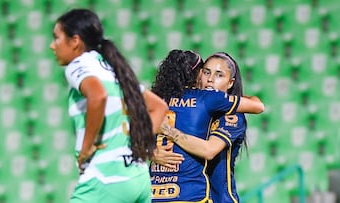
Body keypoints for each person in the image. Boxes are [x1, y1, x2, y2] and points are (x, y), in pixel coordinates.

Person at [49, 8, 168, 203]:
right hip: (138, 177)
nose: (52, 45)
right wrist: (139, 146)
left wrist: (87, 147)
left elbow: (98, 96)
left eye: (57, 38)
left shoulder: (79, 64)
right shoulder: (112, 68)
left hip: (106, 179)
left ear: (75, 41)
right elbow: (159, 107)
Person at [150, 50, 264, 202]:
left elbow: (209, 150)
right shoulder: (191, 108)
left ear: (230, 82)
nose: (210, 80)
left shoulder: (232, 116)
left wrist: (167, 130)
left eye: (219, 75)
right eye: (206, 72)